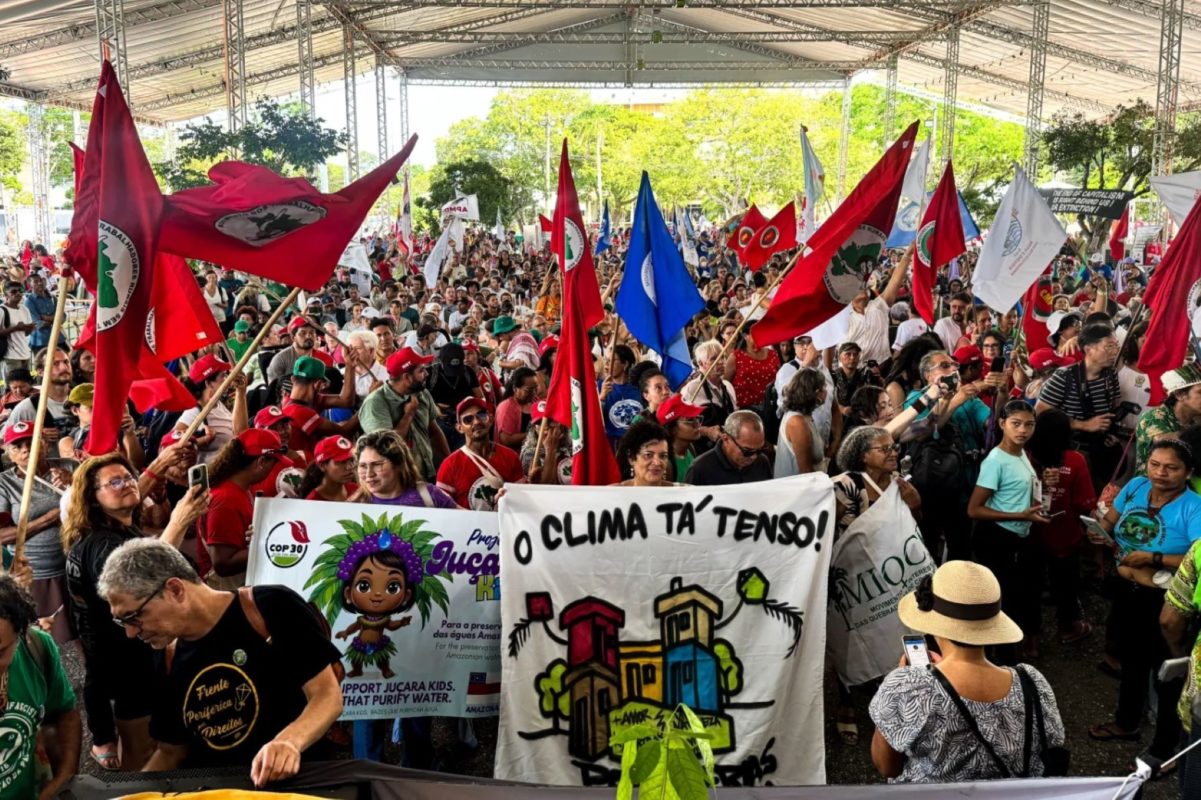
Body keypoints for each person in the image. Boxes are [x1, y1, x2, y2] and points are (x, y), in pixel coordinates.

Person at [100, 539, 343, 785]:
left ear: (175, 589)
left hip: (299, 783)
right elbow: (171, 751)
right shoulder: (166, 657)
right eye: (122, 622)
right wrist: (134, 792)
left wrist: (289, 742)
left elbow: (327, 696)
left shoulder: (269, 607)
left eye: (134, 617)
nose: (130, 633)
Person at [62, 452, 208, 772]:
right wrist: (179, 521)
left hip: (128, 659)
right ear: (92, 496)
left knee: (154, 744)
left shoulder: (119, 532)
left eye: (128, 477)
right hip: (125, 662)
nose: (126, 484)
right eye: (114, 482)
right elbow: (140, 581)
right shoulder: (100, 544)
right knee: (141, 752)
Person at [869, 560, 1064, 782]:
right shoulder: (1032, 682)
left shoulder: (908, 686)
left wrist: (897, 689)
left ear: (932, 621)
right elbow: (1051, 744)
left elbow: (886, 766)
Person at [1088, 438, 1201, 758]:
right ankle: (1127, 722)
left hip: (1165, 599)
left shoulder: (1194, 507)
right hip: (1127, 591)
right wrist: (1097, 531)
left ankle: (1165, 749)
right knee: (1132, 660)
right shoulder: (1136, 487)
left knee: (1167, 670)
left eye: (1171, 468)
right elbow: (1109, 522)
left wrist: (1153, 559)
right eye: (1155, 464)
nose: (1160, 473)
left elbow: (1199, 557)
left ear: (1188, 472)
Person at [967, 400, 1046, 663]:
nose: (1022, 430)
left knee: (1015, 596)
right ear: (1002, 424)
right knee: (1000, 601)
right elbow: (975, 509)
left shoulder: (1020, 451)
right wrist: (1019, 515)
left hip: (1018, 535)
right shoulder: (996, 460)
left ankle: (1006, 657)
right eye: (1016, 424)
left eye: (1029, 425)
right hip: (997, 538)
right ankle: (997, 661)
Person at [0, 573, 80, 798]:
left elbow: (65, 713)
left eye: (0, 653)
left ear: (20, 634)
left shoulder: (37, 648)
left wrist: (64, 778)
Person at [1025, 408, 1095, 647]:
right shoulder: (1075, 460)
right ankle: (1068, 627)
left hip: (1029, 533)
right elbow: (1083, 502)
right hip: (1065, 534)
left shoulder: (1025, 457)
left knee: (1030, 586)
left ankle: (1029, 638)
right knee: (1066, 584)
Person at [0, 421, 72, 643]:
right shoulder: (4, 483)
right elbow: (2, 535)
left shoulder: (69, 467)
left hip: (73, 567)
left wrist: (74, 485)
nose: (25, 449)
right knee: (36, 637)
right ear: (9, 454)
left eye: (31, 441)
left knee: (82, 632)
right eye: (17, 446)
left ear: (44, 443)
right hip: (34, 573)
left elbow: (98, 504)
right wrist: (51, 517)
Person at [196, 429, 288, 590]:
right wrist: (271, 544)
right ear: (261, 462)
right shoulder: (226, 499)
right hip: (223, 591)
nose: (272, 470)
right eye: (273, 463)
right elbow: (222, 564)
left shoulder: (240, 489)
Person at [1034, 323, 1121, 487]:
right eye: (1109, 346)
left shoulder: (1111, 374)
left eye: (1116, 346)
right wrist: (1083, 424)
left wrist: (1109, 431)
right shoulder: (1064, 376)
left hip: (1099, 451)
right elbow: (1040, 415)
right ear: (1088, 349)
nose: (1115, 351)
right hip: (1070, 452)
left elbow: (1112, 408)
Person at [359, 347, 449, 483]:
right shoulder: (375, 404)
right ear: (406, 377)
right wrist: (408, 415)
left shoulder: (422, 393)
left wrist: (450, 463)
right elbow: (385, 447)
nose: (426, 373)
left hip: (428, 473)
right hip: (398, 482)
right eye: (421, 370)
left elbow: (434, 431)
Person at [436, 397, 524, 511]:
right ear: (459, 428)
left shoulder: (510, 457)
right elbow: (442, 509)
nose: (476, 422)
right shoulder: (449, 465)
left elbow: (521, 501)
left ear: (491, 419)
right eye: (468, 419)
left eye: (481, 415)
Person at [175, 354, 249, 465]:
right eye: (223, 376)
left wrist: (241, 392)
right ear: (208, 383)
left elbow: (241, 433)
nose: (227, 379)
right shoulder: (195, 411)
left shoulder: (217, 404)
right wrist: (202, 441)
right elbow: (170, 447)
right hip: (213, 478)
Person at [354, 429, 457, 508]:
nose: (368, 474)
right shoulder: (354, 505)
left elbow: (467, 523)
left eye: (377, 464)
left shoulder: (429, 495)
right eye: (363, 466)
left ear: (398, 463)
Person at [1135, 363, 1201, 474]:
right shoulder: (1154, 417)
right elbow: (1162, 441)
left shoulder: (1195, 418)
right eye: (1200, 392)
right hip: (1153, 487)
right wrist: (1196, 433)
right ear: (1180, 395)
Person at [847, 250, 908, 365]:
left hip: (881, 372)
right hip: (851, 375)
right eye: (858, 286)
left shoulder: (879, 306)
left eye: (864, 285)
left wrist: (908, 254)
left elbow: (895, 281)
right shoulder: (841, 318)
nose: (863, 287)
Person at [685, 410, 773, 485]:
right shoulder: (700, 469)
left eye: (760, 450)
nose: (754, 457)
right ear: (726, 439)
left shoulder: (762, 462)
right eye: (747, 451)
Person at [775, 367, 829, 478]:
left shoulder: (805, 416)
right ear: (816, 393)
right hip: (797, 491)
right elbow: (806, 472)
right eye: (824, 387)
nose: (827, 391)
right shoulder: (797, 423)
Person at [658, 394, 714, 481]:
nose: (697, 424)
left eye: (697, 418)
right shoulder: (665, 464)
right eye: (690, 420)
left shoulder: (690, 449)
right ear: (672, 428)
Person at [724, 332, 780, 411]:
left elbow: (779, 379)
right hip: (744, 409)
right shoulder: (736, 356)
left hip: (771, 407)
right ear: (745, 336)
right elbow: (726, 384)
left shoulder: (773, 354)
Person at [599, 344, 642, 445]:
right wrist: (602, 397)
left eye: (612, 360)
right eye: (606, 359)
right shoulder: (599, 386)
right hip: (611, 445)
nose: (607, 363)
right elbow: (593, 419)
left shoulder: (639, 387)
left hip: (635, 443)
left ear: (625, 364)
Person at [615, 421, 679, 487]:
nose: (657, 463)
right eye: (648, 455)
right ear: (631, 458)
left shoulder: (683, 493)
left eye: (663, 456)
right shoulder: (612, 493)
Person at [297, 435, 358, 502]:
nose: (349, 467)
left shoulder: (357, 491)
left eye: (351, 460)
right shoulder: (313, 503)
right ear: (322, 466)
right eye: (341, 462)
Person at [266, 317, 319, 386]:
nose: (308, 336)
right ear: (293, 337)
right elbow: (273, 390)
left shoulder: (325, 358)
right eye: (303, 333)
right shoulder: (280, 359)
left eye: (312, 332)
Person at [494, 366, 537, 450]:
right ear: (515, 388)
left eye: (535, 388)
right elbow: (506, 439)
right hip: (516, 456)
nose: (534, 393)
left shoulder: (534, 401)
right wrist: (534, 434)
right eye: (529, 390)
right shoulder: (506, 407)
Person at [0, 281, 35, 380]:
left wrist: (29, 328)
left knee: (25, 385)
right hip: (10, 356)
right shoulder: (2, 310)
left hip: (25, 353)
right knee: (12, 386)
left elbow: (25, 333)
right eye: (14, 291)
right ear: (6, 294)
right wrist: (16, 328)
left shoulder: (24, 309)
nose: (18, 293)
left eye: (21, 290)